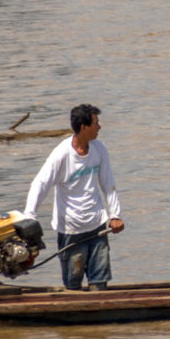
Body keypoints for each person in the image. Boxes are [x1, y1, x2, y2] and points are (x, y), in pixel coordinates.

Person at [22, 104, 124, 289]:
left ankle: (99, 312)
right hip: (71, 229)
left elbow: (108, 183)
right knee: (73, 283)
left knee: (100, 280)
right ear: (84, 127)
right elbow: (41, 183)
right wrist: (30, 216)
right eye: (95, 123)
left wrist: (115, 215)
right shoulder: (61, 154)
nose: (99, 127)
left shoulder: (99, 149)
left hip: (97, 225)